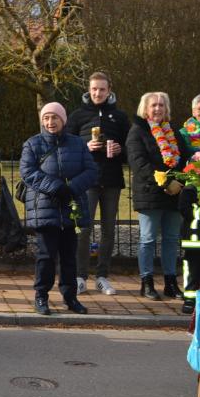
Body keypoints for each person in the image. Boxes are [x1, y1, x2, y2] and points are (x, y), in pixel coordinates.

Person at [20, 102, 96, 316]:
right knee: (46, 255)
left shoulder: (78, 143)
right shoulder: (33, 144)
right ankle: (41, 296)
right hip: (46, 207)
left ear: (63, 120)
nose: (50, 122)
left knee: (69, 255)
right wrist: (55, 188)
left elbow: (91, 170)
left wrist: (71, 188)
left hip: (71, 206)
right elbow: (28, 172)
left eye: (55, 118)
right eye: (46, 118)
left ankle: (70, 297)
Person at [64, 71, 130, 297]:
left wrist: (120, 150)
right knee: (83, 229)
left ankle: (102, 276)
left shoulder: (120, 117)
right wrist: (85, 146)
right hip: (86, 181)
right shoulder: (78, 115)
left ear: (109, 90)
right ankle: (80, 276)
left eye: (102, 89)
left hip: (112, 180)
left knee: (109, 230)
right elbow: (65, 146)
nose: (98, 93)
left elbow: (131, 150)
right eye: (94, 89)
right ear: (88, 90)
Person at [127, 91, 191, 300]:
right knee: (147, 239)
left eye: (161, 105)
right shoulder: (137, 131)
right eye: (153, 105)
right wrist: (164, 182)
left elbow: (184, 161)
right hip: (149, 194)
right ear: (145, 109)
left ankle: (171, 283)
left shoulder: (174, 131)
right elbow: (139, 164)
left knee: (172, 239)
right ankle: (146, 282)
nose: (157, 109)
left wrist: (179, 182)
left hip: (174, 194)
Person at [178, 94, 200, 312]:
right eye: (199, 109)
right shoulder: (183, 133)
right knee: (193, 256)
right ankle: (190, 296)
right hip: (192, 189)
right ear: (193, 110)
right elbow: (177, 159)